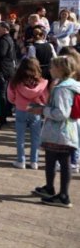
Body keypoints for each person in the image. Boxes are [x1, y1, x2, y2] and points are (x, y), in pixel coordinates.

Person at [30, 57, 79, 208]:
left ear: (60, 69)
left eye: (52, 67)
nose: (50, 69)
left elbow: (62, 113)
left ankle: (64, 195)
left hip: (61, 131)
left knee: (63, 162)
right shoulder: (68, 85)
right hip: (60, 131)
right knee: (51, 159)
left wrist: (43, 110)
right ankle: (49, 187)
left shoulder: (63, 89)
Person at [7, 58, 48, 170]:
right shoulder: (41, 82)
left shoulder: (15, 81)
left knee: (20, 137)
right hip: (35, 110)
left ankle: (21, 160)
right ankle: (34, 161)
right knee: (35, 137)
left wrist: (16, 101)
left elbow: (10, 97)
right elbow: (45, 98)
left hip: (21, 109)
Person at [0, 22, 17, 129]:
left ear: (4, 29)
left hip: (3, 71)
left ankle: (1, 119)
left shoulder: (4, 40)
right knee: (3, 94)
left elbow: (1, 54)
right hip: (8, 70)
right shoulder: (9, 39)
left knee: (1, 95)